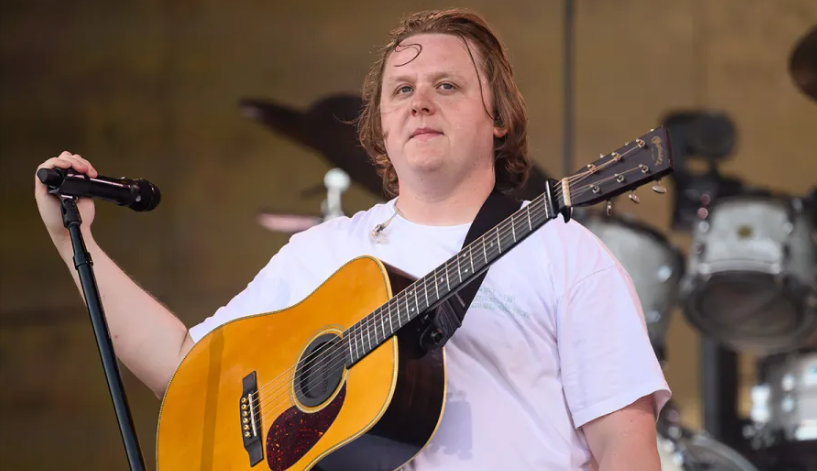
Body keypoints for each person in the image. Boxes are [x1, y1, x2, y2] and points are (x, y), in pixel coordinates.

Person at [35, 8, 670, 471]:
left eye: (447, 86)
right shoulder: (324, 254)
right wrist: (76, 244)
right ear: (381, 129)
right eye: (402, 90)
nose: (420, 101)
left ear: (497, 119)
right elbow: (183, 368)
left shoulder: (563, 253)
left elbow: (626, 447)